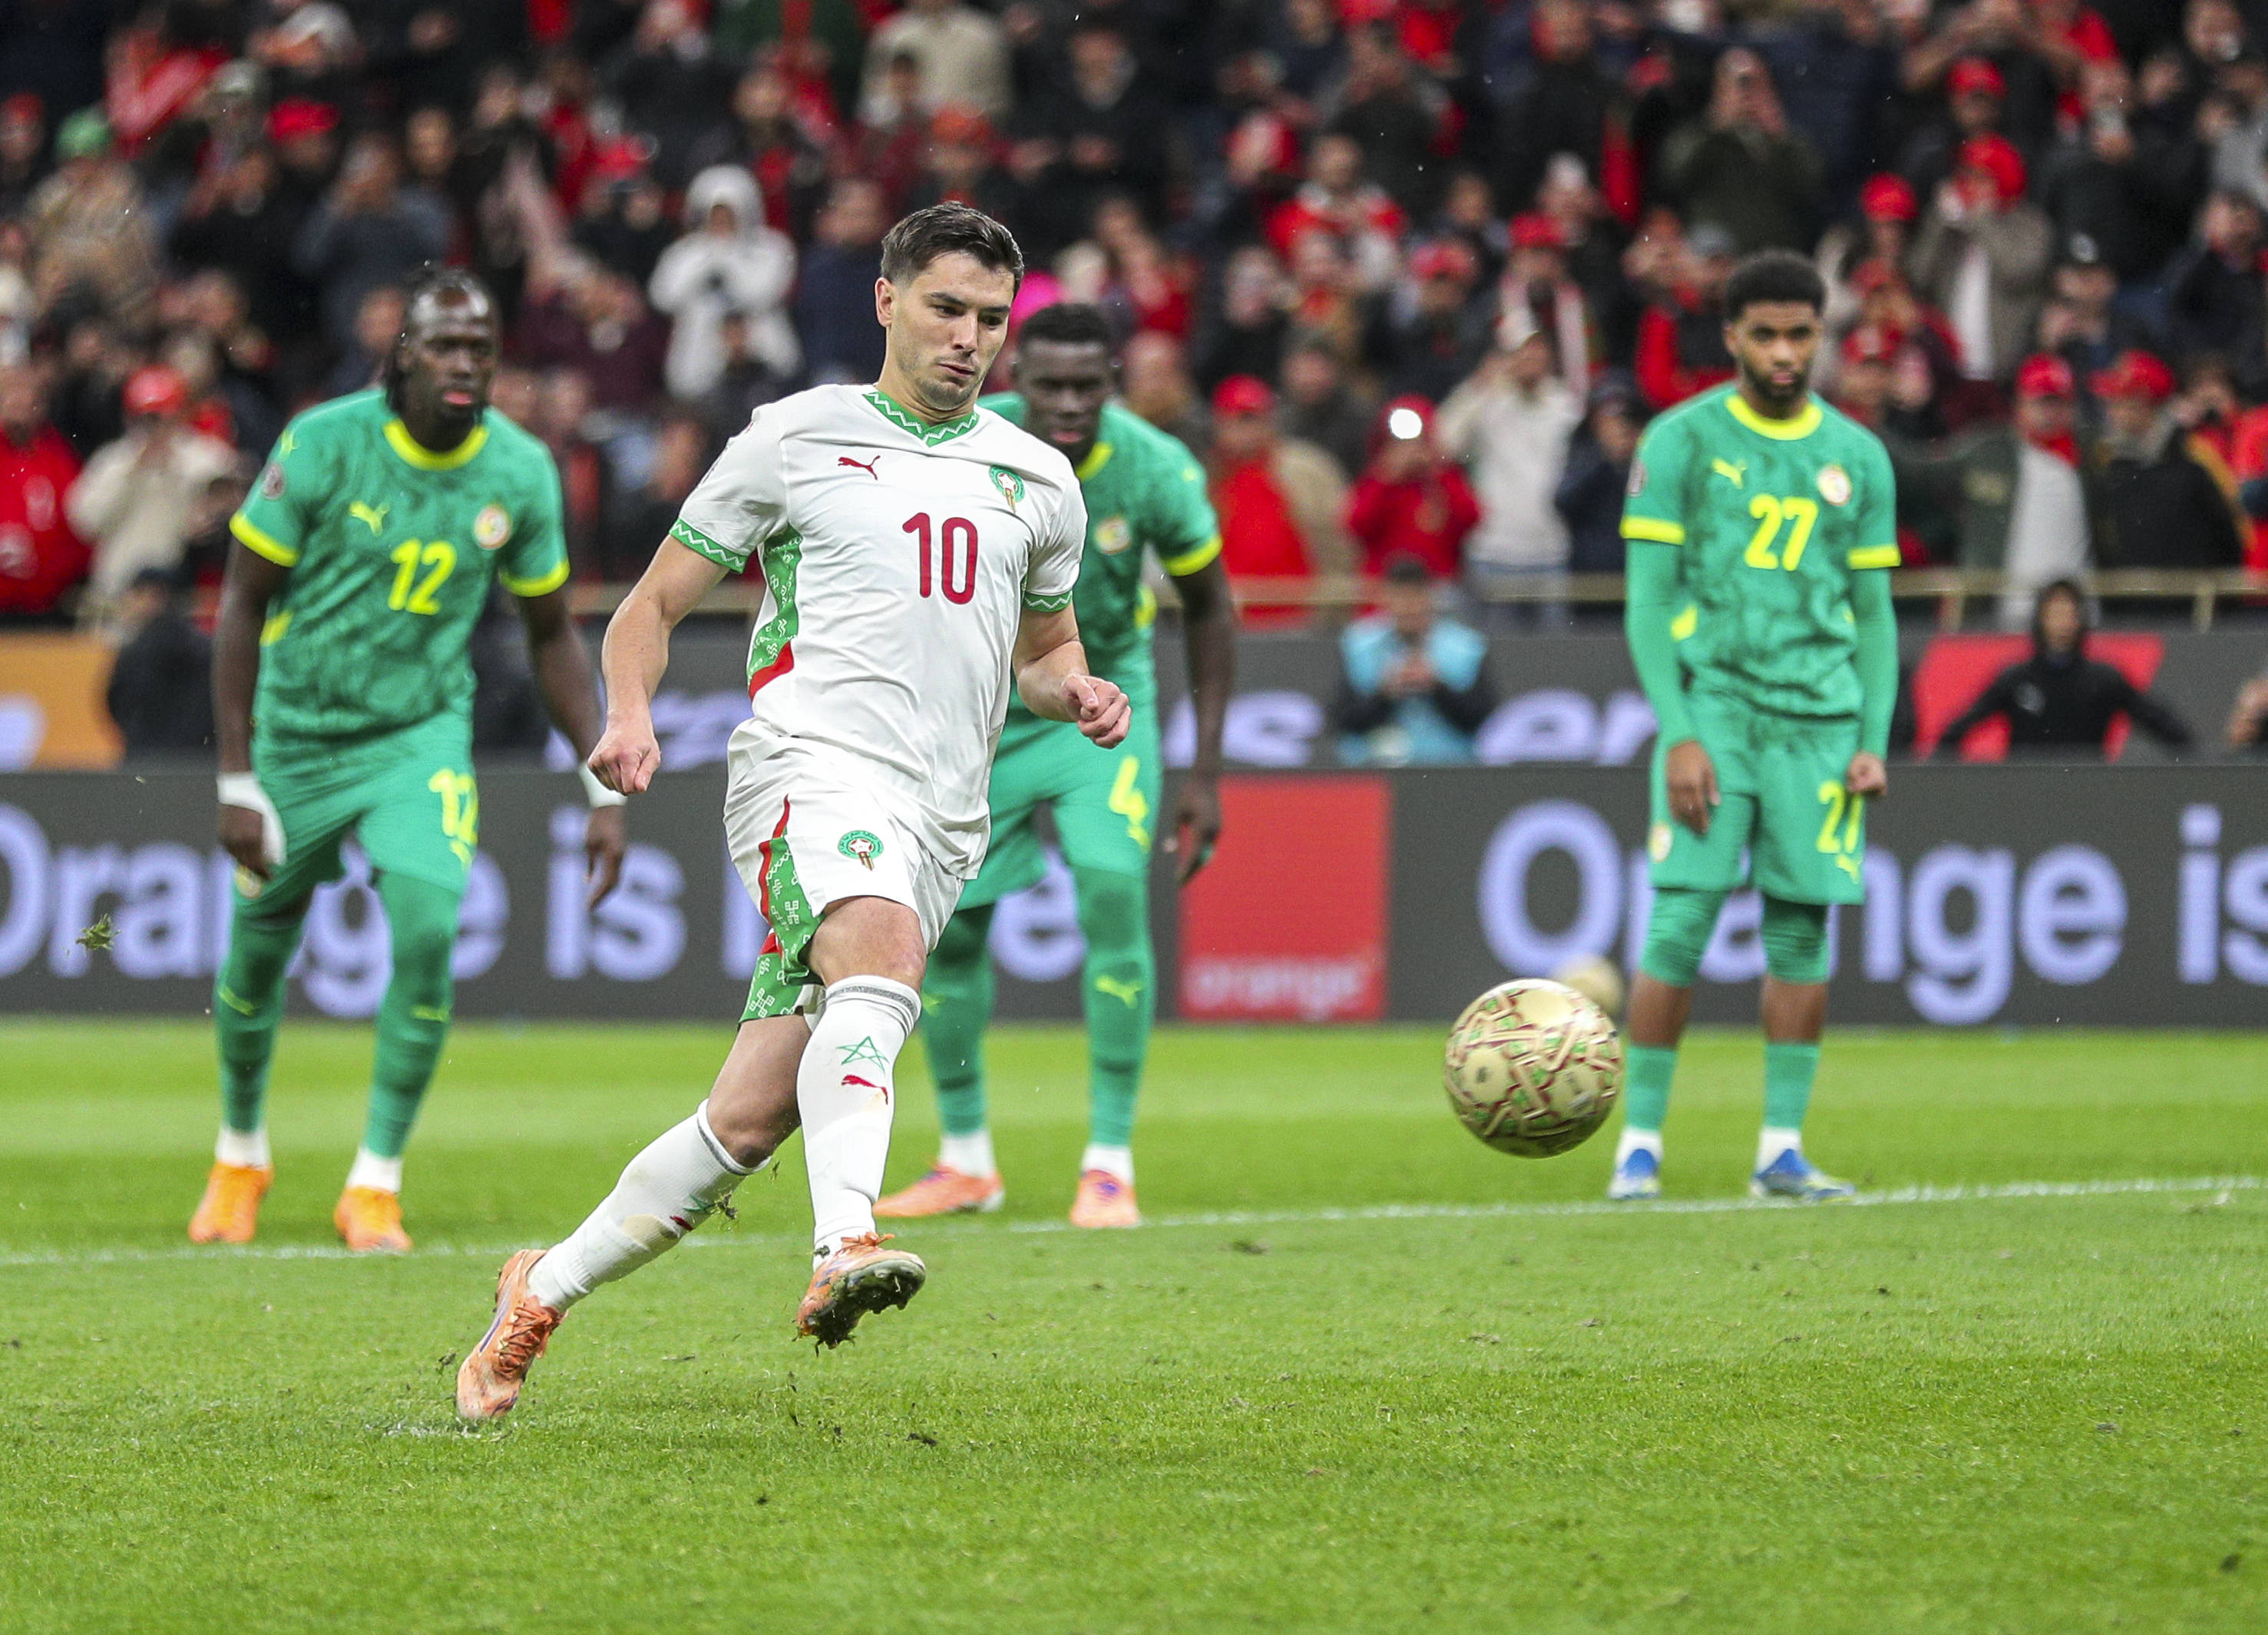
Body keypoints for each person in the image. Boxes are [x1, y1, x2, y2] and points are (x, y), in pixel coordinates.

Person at [454, 205, 1126, 1420]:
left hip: (941, 816)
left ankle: (536, 1292)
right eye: (945, 309)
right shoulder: (794, 439)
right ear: (885, 300)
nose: (968, 339)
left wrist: (1072, 690)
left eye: (989, 320)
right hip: (805, 767)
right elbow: (649, 608)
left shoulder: (1039, 477)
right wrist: (629, 715)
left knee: (750, 1118)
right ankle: (843, 1247)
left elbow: (1044, 651)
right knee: (882, 951)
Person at [187, 269, 628, 1256]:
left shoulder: (517, 470)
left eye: (481, 348)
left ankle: (374, 1182)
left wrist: (598, 779)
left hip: (417, 739)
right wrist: (236, 775)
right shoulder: (323, 442)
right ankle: (239, 1153)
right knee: (256, 954)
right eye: (444, 346)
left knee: (429, 933)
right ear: (402, 356)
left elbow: (550, 632)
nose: (465, 364)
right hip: (296, 736)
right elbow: (242, 607)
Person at [877, 302, 1236, 1228]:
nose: (1070, 402)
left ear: (1113, 378)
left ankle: (1108, 1161)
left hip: (1104, 710)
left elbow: (1210, 606)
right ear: (1017, 376)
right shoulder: (966, 449)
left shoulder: (1155, 468)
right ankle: (965, 1160)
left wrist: (1204, 771)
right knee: (949, 932)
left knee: (1114, 895)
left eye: (1089, 383)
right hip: (986, 717)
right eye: (1051, 384)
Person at [1612, 250, 1899, 1205]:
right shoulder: (1680, 441)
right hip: (1719, 711)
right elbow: (1647, 606)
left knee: (1799, 933)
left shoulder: (1857, 457)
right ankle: (1637, 1150)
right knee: (1682, 918)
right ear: (1729, 335)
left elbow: (1873, 613)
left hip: (1819, 725)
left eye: (1800, 334)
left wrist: (1872, 734)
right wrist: (1680, 730)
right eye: (1765, 334)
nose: (1784, 353)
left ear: (1822, 334)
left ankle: (1780, 1148)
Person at [1933, 579, 2191, 758]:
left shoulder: (2102, 680)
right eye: (2054, 613)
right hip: (2026, 792)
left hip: (2087, 791)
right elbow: (1962, 726)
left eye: (2069, 613)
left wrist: (2198, 760)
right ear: (2041, 619)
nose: (2062, 623)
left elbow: (2160, 722)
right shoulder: (2016, 680)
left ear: (2081, 620)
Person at [1333, 553, 1493, 764]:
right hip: (1374, 770)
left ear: (1431, 597)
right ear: (1385, 597)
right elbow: (1342, 719)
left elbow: (1483, 720)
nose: (1409, 606)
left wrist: (1436, 686)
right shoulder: (1358, 645)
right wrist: (1385, 694)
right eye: (1400, 596)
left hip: (1448, 768)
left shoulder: (1466, 647)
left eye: (1416, 596)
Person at [104, 567, 213, 756]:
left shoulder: (137, 650)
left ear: (152, 596)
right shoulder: (205, 645)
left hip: (147, 759)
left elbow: (117, 700)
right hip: (201, 761)